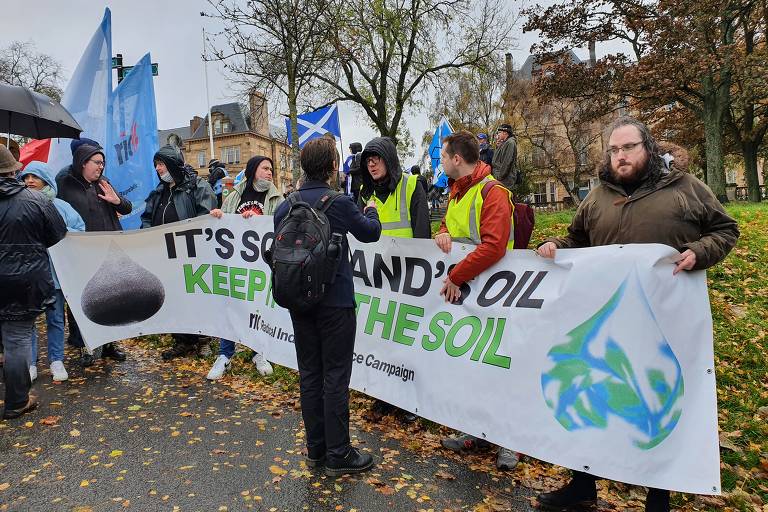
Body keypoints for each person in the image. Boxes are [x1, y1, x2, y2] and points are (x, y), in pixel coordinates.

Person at [535, 117, 739, 512]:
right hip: (605, 324)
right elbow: (577, 239)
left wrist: (700, 253)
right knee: (596, 397)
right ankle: (582, 485)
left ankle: (658, 496)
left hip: (663, 322)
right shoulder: (596, 197)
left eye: (628, 148)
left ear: (647, 147)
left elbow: (725, 230)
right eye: (614, 150)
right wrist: (553, 244)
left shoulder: (685, 189)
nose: (620, 156)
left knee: (651, 402)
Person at [273, 136, 381, 476]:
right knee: (335, 376)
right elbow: (370, 233)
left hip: (298, 301)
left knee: (309, 375)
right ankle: (339, 454)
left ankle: (316, 450)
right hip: (335, 301)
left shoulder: (284, 206)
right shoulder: (338, 202)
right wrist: (371, 210)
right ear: (333, 167)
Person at [433, 130, 520, 471]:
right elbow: (447, 226)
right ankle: (475, 432)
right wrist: (441, 232)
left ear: (457, 158)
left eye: (443, 157)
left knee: (500, 369)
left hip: (497, 295)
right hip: (470, 296)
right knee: (473, 368)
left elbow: (494, 245)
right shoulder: (456, 193)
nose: (440, 162)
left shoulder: (493, 192)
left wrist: (456, 276)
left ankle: (509, 443)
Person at [358, 137, 430, 423]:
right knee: (380, 339)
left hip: (409, 277)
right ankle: (383, 397)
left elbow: (422, 234)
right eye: (367, 159)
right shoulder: (365, 192)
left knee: (406, 341)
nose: (371, 163)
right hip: (377, 276)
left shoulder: (412, 186)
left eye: (376, 157)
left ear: (389, 158)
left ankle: (410, 401)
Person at [0, 145, 67, 419]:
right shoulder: (36, 200)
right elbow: (58, 234)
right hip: (25, 283)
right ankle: (16, 402)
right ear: (15, 170)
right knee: (16, 341)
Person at [206, 155, 283, 379]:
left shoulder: (276, 198)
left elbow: (278, 226)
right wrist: (219, 215)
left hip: (262, 263)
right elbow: (224, 221)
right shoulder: (235, 194)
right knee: (230, 305)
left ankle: (259, 352)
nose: (270, 173)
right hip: (234, 262)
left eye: (271, 169)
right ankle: (225, 354)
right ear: (252, 170)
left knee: (259, 307)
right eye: (265, 168)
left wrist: (257, 220)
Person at [57, 143, 132, 363]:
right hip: (81, 252)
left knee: (111, 297)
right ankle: (85, 345)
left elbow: (126, 207)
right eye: (97, 163)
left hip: (110, 250)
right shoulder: (65, 184)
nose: (101, 167)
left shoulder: (104, 183)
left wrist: (116, 201)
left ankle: (109, 343)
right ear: (83, 162)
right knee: (82, 298)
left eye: (103, 163)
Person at [141, 145, 217, 360]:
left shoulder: (197, 187)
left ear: (173, 164)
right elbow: (147, 218)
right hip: (166, 257)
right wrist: (147, 234)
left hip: (193, 256)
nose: (157, 169)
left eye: (161, 164)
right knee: (174, 298)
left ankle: (203, 340)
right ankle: (183, 340)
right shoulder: (158, 192)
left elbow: (206, 216)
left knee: (197, 298)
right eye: (156, 165)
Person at [18, 161, 85, 382]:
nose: (29, 181)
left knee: (55, 319)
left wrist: (61, 234)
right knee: (30, 320)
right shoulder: (18, 205)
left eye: (34, 177)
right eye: (26, 177)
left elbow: (79, 230)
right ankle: (31, 362)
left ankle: (57, 360)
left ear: (45, 180)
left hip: (55, 275)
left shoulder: (62, 206)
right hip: (29, 274)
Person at [490, 124, 518, 193]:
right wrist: (497, 146)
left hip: (505, 181)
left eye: (499, 132)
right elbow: (495, 160)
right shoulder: (505, 143)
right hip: (501, 179)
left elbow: (507, 162)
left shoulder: (510, 143)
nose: (498, 135)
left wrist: (500, 177)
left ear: (505, 133)